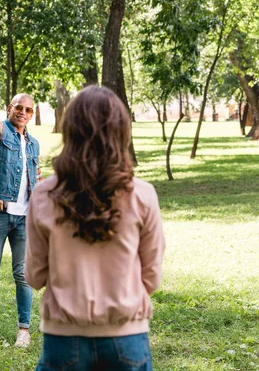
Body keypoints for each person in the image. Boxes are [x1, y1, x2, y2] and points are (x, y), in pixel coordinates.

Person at [25, 86, 166, 370]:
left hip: (64, 338)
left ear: (70, 131)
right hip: (127, 336)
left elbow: (35, 275)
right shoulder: (142, 195)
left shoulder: (44, 194)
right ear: (122, 132)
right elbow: (151, 276)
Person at [0, 88, 42, 348]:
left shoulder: (33, 144)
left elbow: (34, 177)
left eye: (28, 110)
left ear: (32, 114)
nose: (23, 113)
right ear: (9, 109)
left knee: (23, 275)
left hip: (24, 218)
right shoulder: (0, 133)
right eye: (18, 107)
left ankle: (24, 329)